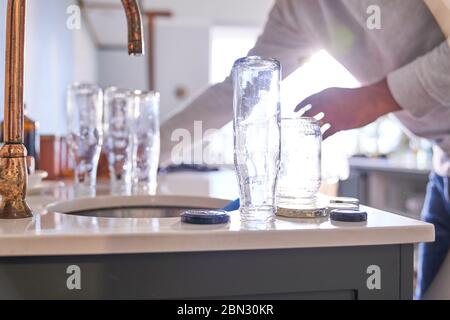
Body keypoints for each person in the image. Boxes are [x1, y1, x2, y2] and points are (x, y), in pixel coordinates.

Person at [160, 0, 450, 299]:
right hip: (443, 163)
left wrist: (373, 98)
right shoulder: (296, 10)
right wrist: (150, 151)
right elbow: (238, 90)